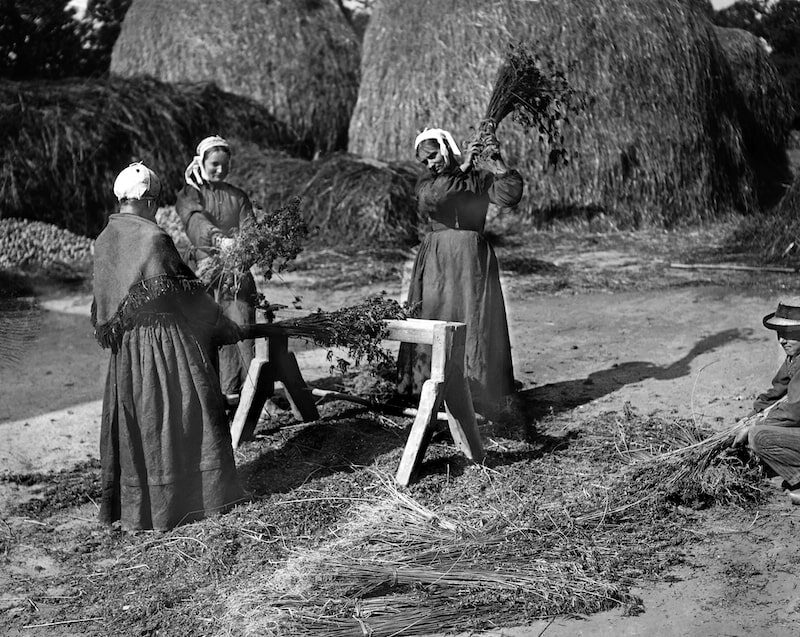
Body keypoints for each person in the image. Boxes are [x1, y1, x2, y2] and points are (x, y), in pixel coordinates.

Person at [92, 162, 247, 531]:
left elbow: (105, 305)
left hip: (127, 352)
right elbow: (183, 294)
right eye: (156, 203)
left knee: (140, 420)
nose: (157, 210)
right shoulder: (153, 239)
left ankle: (141, 509)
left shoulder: (104, 240)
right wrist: (221, 323)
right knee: (190, 408)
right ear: (147, 201)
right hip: (165, 345)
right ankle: (189, 501)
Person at [397, 124, 524, 409]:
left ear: (445, 149)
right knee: (436, 316)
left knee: (473, 318)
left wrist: (497, 162)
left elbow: (509, 196)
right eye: (426, 161)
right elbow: (437, 198)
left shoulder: (478, 179)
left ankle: (477, 392)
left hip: (472, 261)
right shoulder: (427, 184)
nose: (431, 163)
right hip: (438, 261)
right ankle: (431, 392)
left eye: (433, 156)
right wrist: (463, 167)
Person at [175, 135, 256, 403]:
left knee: (242, 329)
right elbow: (194, 221)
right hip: (204, 273)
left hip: (235, 275)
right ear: (202, 163)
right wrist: (219, 239)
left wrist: (244, 250)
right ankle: (211, 396)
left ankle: (248, 394)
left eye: (225, 165)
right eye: (214, 165)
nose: (220, 170)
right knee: (207, 332)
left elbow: (251, 233)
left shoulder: (239, 196)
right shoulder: (191, 194)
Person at [733, 297, 800, 504]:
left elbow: (795, 411)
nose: (781, 340)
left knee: (759, 437)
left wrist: (756, 424)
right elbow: (776, 390)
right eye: (780, 334)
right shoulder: (795, 358)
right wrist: (749, 417)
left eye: (789, 334)